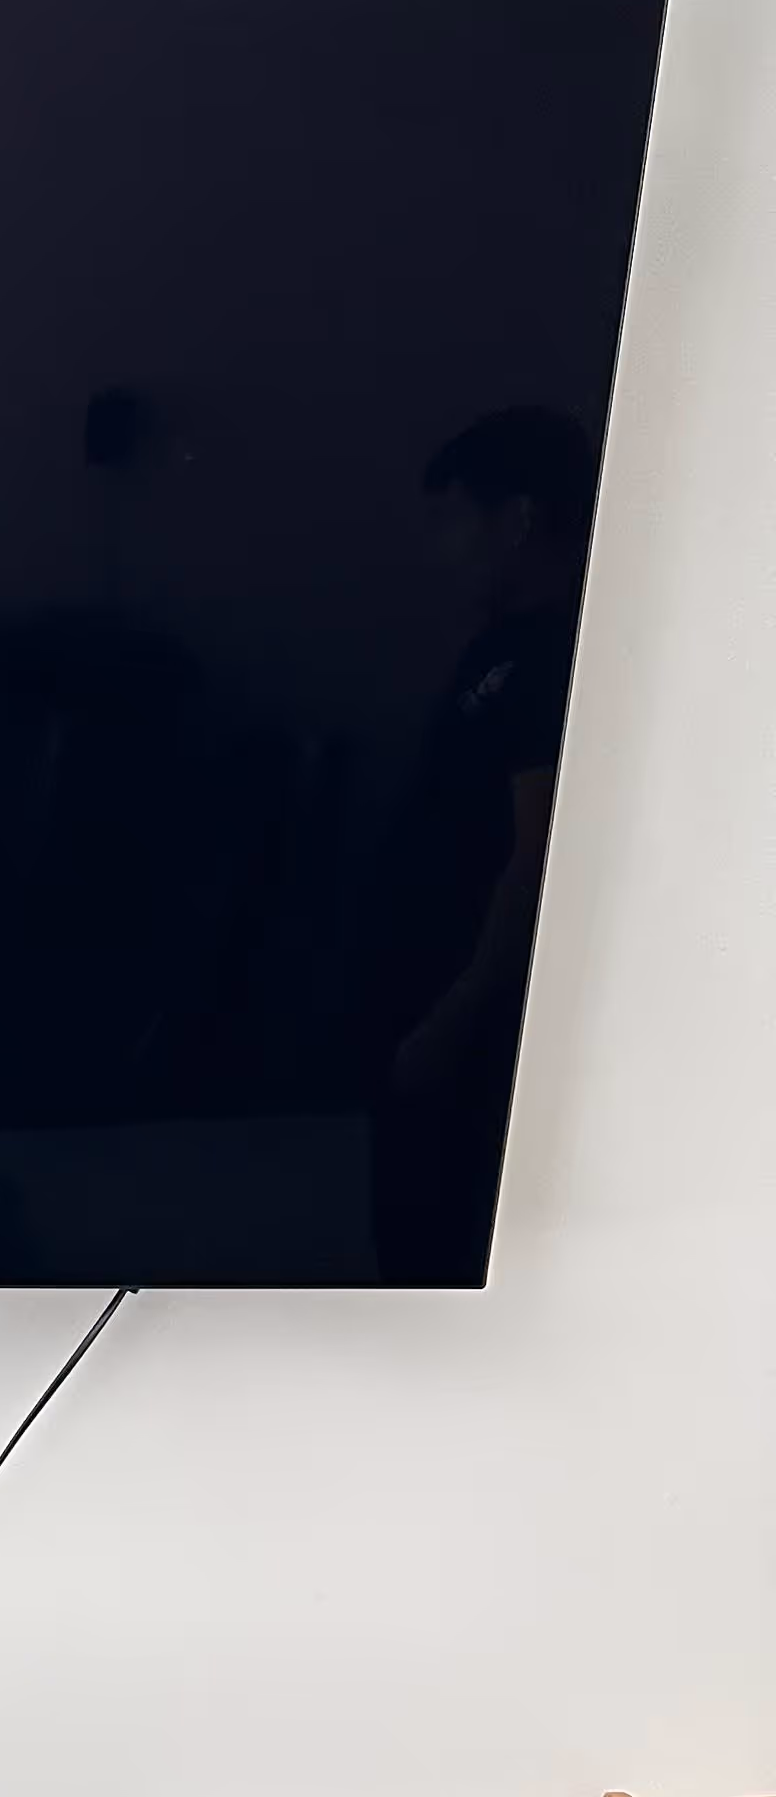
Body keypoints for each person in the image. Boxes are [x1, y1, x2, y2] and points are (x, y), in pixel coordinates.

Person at [363, 405, 596, 1282]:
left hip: (468, 1036)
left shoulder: (552, 655)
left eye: (454, 519)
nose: (442, 547)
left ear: (520, 519)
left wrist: (452, 1020)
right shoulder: (497, 650)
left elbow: (536, 857)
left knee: (443, 1261)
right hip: (432, 1016)